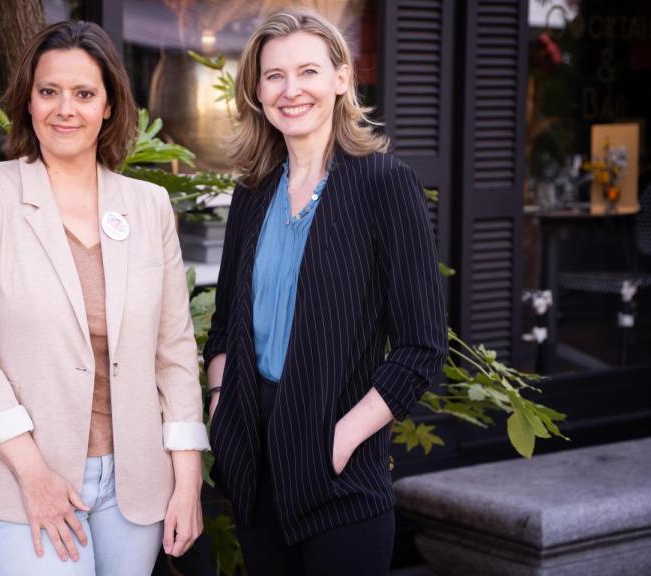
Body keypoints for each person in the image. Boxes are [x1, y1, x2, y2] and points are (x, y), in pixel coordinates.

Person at [0, 21, 208, 576]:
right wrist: (33, 475)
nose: (66, 109)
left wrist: (186, 480)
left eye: (84, 94)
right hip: (24, 481)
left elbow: (174, 351)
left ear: (108, 106)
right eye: (49, 91)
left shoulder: (149, 205)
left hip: (136, 485)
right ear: (28, 102)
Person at [204, 9, 447, 575]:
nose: (292, 91)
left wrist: (341, 438)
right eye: (274, 76)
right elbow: (223, 326)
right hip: (253, 458)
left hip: (340, 468)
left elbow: (422, 346)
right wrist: (221, 406)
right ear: (258, 91)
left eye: (308, 71)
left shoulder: (384, 183)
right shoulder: (253, 192)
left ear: (341, 79)